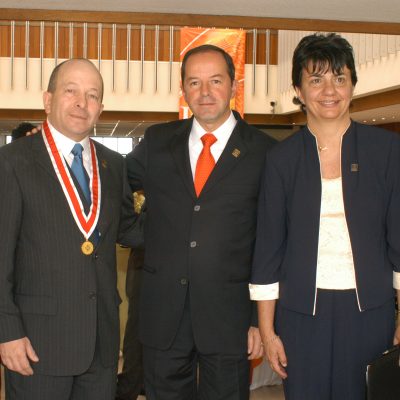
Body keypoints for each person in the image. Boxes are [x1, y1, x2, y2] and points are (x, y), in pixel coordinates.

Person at [250, 33, 400, 400]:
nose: (329, 89)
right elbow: (269, 249)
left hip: (370, 311)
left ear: (352, 84)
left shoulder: (386, 150)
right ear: (298, 90)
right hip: (301, 314)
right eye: (315, 79)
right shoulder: (281, 160)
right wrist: (268, 333)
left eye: (339, 77)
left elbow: (399, 238)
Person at [126, 44, 275, 400]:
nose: (205, 92)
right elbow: (113, 183)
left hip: (231, 320)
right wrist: (137, 233)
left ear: (234, 86)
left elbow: (271, 242)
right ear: (183, 89)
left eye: (215, 81)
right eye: (194, 82)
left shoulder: (266, 152)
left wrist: (260, 321)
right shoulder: (158, 141)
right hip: (164, 316)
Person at [0, 58, 143, 400]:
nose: (82, 102)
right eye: (71, 91)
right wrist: (6, 332)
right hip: (36, 344)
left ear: (101, 108)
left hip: (101, 343)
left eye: (92, 95)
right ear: (47, 100)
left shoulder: (113, 165)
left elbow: (128, 229)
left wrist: (194, 213)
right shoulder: (12, 162)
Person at [116, 192, 145, 400]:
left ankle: (138, 383)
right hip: (143, 268)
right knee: (136, 335)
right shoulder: (140, 167)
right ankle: (128, 388)